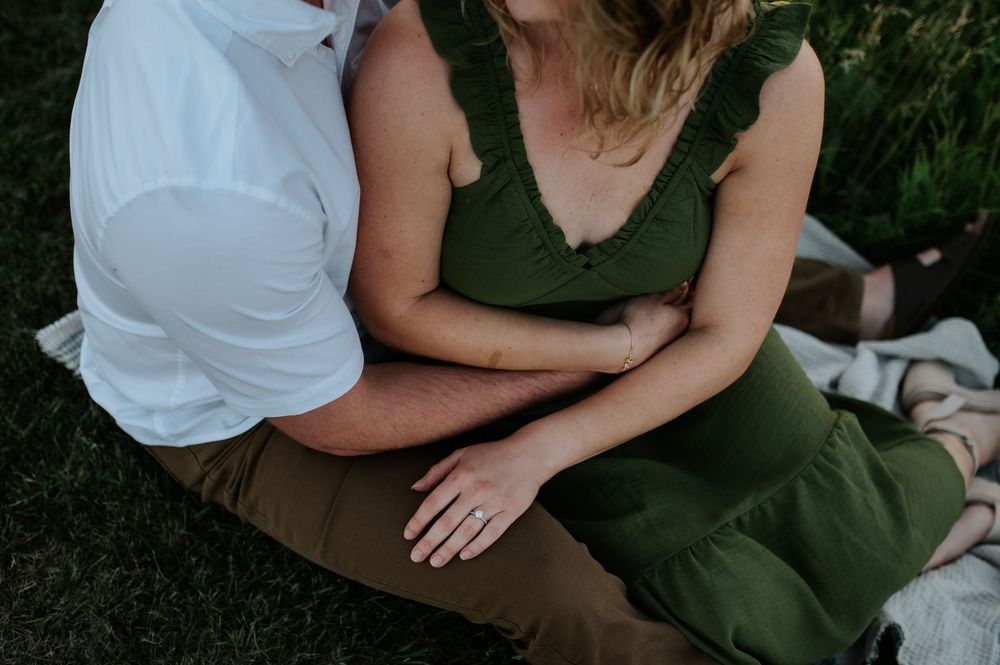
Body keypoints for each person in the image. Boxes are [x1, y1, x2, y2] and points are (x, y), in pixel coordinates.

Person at [347, 0, 1000, 662]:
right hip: (502, 386)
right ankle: (958, 466)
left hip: (696, 385)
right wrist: (608, 351)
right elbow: (398, 306)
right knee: (738, 616)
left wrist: (539, 451)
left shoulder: (773, 78)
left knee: (867, 538)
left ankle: (961, 434)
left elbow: (725, 335)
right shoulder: (429, 49)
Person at [68, 0, 718, 663]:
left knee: (629, 237)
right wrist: (592, 359)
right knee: (545, 579)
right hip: (254, 414)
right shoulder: (208, 190)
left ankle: (826, 295)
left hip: (377, 247)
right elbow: (339, 417)